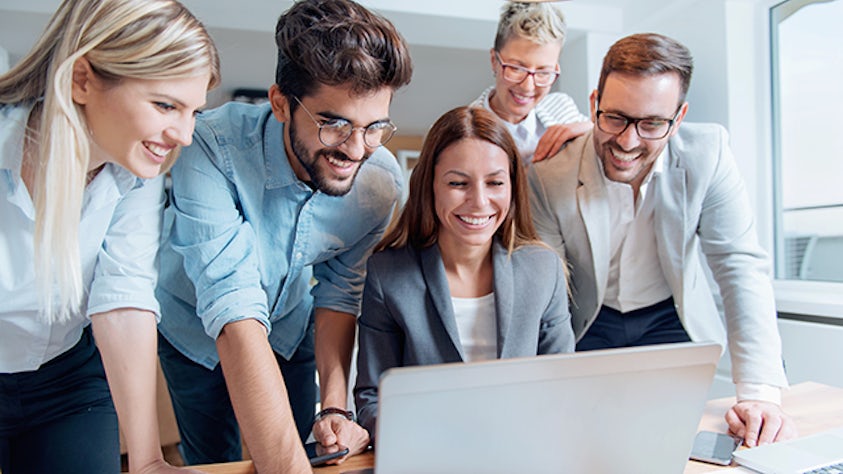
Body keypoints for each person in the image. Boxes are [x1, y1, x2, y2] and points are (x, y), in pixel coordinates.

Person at [154, 0, 413, 471]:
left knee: (305, 447)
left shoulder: (380, 181)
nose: (355, 150)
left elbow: (340, 290)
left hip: (290, 329)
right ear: (279, 103)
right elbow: (232, 304)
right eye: (334, 124)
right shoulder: (209, 147)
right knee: (217, 459)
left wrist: (335, 405)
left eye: (374, 127)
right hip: (193, 329)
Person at [528, 33, 796, 448]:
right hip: (584, 322)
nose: (628, 142)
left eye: (652, 123)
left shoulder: (709, 154)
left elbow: (739, 266)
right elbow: (548, 291)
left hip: (670, 318)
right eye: (614, 117)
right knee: (581, 440)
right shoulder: (549, 174)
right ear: (595, 100)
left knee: (673, 443)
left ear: (680, 115)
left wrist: (761, 394)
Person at [0, 0, 219, 472]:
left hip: (65, 381)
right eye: (165, 105)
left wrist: (146, 460)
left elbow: (124, 298)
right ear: (82, 80)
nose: (183, 134)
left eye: (194, 111)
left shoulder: (135, 171)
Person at [354, 106, 575, 440]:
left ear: (513, 187)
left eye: (495, 182)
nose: (479, 201)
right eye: (458, 183)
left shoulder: (543, 270)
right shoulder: (389, 275)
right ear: (430, 185)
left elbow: (564, 387)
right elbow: (372, 398)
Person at [471, 1, 592, 164]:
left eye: (543, 72)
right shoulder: (462, 130)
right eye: (516, 68)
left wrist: (589, 129)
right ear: (494, 60)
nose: (528, 86)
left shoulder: (562, 109)